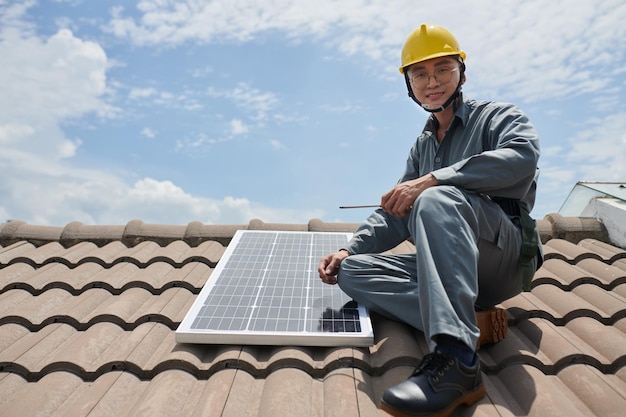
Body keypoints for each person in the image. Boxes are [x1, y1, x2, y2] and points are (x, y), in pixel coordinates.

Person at [318, 24, 542, 417]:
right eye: (419, 74)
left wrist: (435, 179)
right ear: (409, 85)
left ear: (462, 74)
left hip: (501, 258)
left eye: (442, 69)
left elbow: (522, 157)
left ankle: (457, 360)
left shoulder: (498, 117)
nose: (432, 81)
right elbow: (395, 214)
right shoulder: (423, 146)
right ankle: (472, 322)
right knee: (351, 274)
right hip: (449, 270)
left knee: (435, 198)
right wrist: (347, 249)